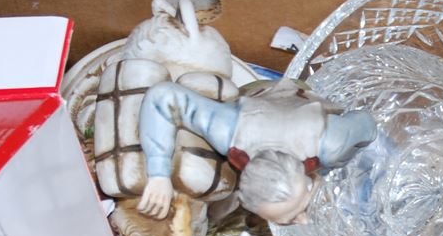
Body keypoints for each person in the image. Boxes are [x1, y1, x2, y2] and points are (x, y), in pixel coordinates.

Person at [137, 83, 376, 225]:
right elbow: (163, 97)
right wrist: (159, 175)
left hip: (301, 98)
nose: (303, 221)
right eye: (288, 220)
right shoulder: (229, 134)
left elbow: (367, 122)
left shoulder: (333, 141)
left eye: (297, 211)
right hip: (259, 101)